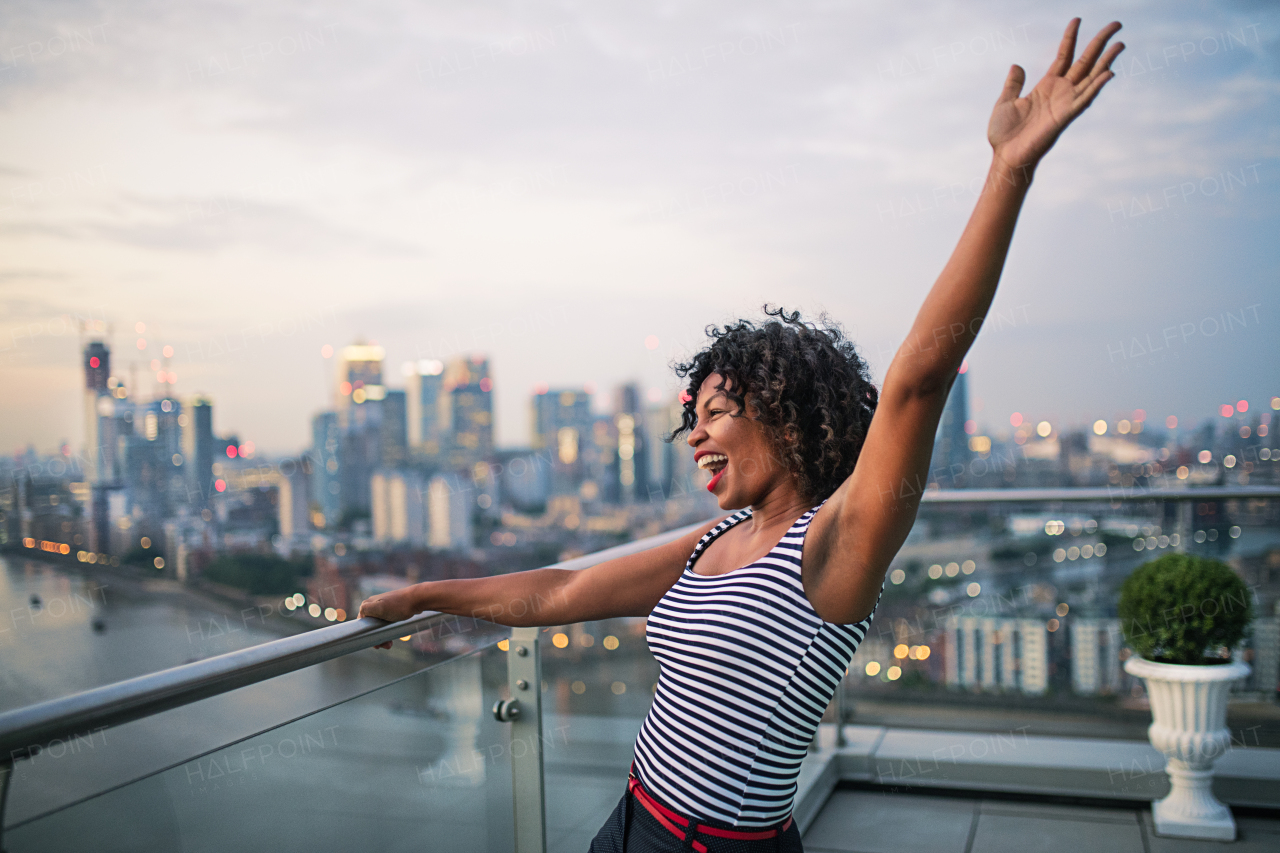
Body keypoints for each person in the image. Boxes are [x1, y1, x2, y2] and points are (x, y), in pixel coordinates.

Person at [358, 18, 1124, 851]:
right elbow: (564, 593)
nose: (696, 436)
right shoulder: (715, 539)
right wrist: (426, 597)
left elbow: (917, 383)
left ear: (787, 417)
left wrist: (1007, 171)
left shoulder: (832, 547)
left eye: (718, 412)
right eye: (693, 419)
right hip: (631, 820)